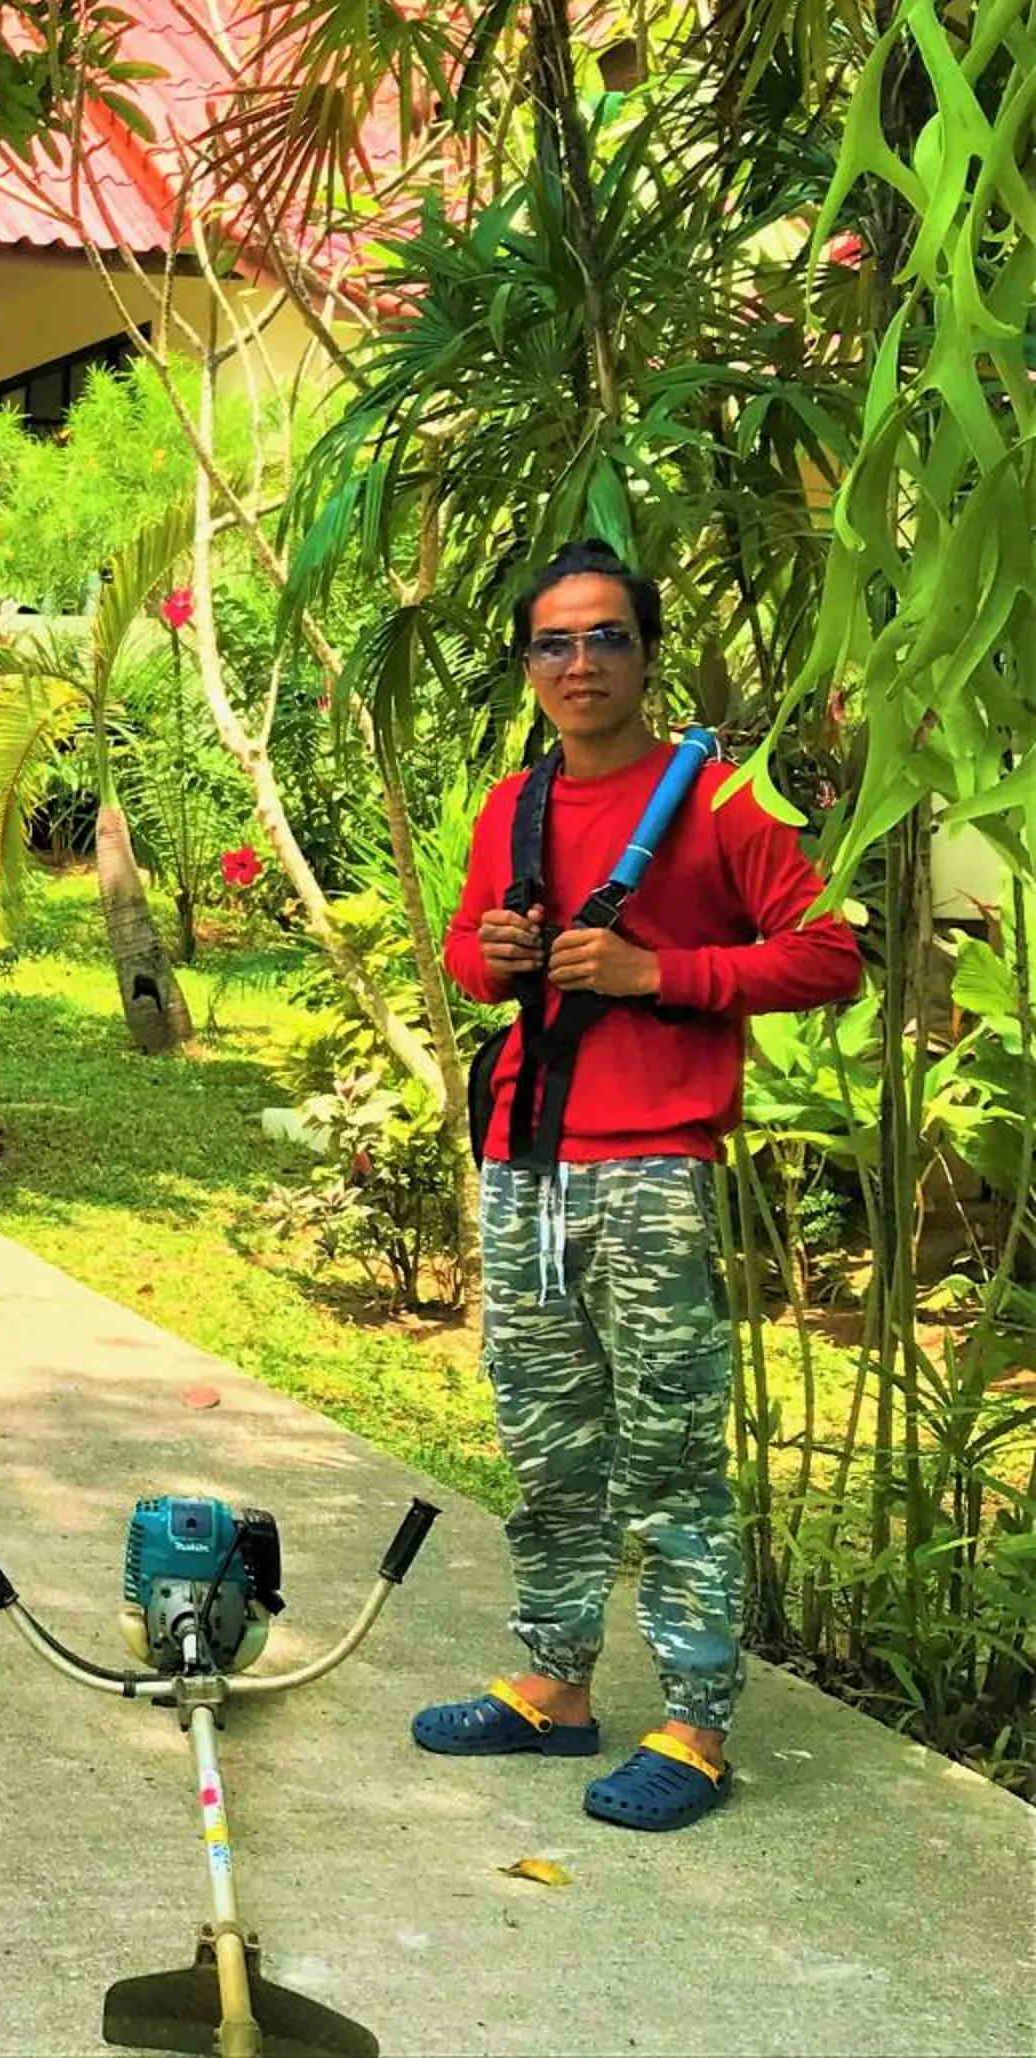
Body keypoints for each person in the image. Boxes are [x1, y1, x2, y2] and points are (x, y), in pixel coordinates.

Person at [411, 540, 858, 1831]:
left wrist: (661, 974)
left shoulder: (718, 800)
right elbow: (467, 942)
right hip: (526, 1163)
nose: (580, 662)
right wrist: (491, 952)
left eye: (605, 636)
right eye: (553, 642)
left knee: (666, 1455)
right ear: (528, 667)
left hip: (654, 1165)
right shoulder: (517, 806)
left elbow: (831, 951)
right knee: (548, 1445)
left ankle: (695, 1722)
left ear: (646, 652)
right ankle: (552, 1683)